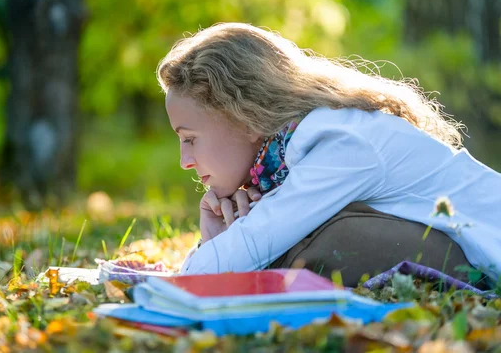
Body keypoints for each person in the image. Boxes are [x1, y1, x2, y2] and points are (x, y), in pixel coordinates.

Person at [157, 23, 501, 287]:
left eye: (190, 138)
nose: (185, 161)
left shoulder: (339, 143)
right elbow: (241, 252)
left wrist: (207, 254)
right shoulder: (289, 158)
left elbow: (251, 246)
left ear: (243, 118)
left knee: (324, 245)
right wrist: (214, 239)